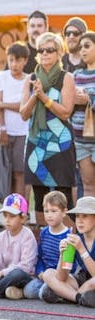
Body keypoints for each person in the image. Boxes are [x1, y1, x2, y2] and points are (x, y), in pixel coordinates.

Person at [19, 31, 76, 215]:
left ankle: (67, 241)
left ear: (59, 53)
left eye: (49, 50)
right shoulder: (31, 79)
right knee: (39, 193)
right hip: (37, 140)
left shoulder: (66, 78)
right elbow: (24, 114)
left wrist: (44, 97)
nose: (44, 53)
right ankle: (44, 238)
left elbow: (66, 112)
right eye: (41, 50)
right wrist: (36, 97)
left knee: (63, 193)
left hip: (61, 141)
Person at [39, 195, 95, 307]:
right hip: (82, 279)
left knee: (92, 283)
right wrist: (62, 255)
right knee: (48, 274)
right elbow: (61, 277)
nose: (80, 221)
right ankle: (78, 298)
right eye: (78, 216)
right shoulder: (76, 238)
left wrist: (82, 250)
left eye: (85, 216)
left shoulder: (80, 243)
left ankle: (67, 295)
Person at [0, 42, 31, 201]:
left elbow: (25, 107)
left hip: (23, 132)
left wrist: (4, 104)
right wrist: (2, 128)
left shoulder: (28, 80)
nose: (14, 64)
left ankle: (19, 207)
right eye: (11, 60)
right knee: (4, 172)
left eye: (18, 60)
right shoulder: (2, 77)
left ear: (25, 61)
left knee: (19, 172)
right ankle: (7, 207)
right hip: (4, 131)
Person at [24, 190, 71, 300]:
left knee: (44, 290)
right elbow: (40, 256)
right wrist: (40, 272)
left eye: (54, 211)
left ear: (64, 212)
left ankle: (59, 292)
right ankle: (56, 293)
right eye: (46, 211)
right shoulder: (44, 232)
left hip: (61, 276)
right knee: (28, 291)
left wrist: (57, 277)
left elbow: (70, 264)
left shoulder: (68, 235)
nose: (49, 215)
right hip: (44, 276)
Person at [70, 31, 95, 198]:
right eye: (81, 47)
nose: (83, 50)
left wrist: (89, 99)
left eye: (87, 46)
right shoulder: (75, 75)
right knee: (88, 186)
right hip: (80, 139)